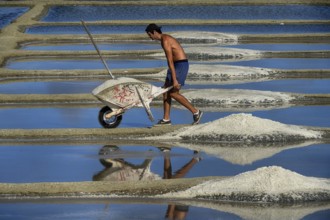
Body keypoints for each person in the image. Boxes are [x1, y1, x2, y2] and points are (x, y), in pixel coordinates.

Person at [145, 23, 203, 126]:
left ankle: (196, 112)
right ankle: (166, 119)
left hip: (180, 65)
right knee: (165, 92)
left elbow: (170, 60)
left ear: (154, 32)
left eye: (149, 35)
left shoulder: (166, 40)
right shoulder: (163, 40)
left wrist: (175, 79)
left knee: (173, 93)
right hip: (175, 66)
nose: (149, 37)